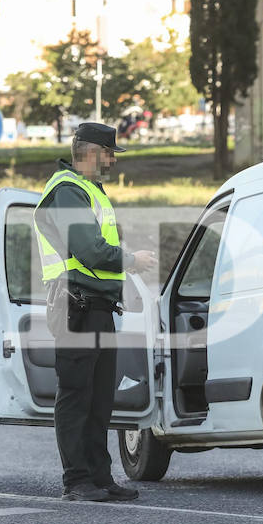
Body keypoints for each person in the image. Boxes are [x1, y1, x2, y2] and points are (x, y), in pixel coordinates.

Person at [34, 123, 157, 502]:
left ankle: (100, 477)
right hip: (75, 304)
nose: (113, 160)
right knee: (76, 394)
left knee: (99, 396)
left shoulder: (88, 192)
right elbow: (89, 250)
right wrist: (131, 260)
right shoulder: (67, 192)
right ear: (90, 152)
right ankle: (77, 482)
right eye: (109, 153)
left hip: (95, 305)